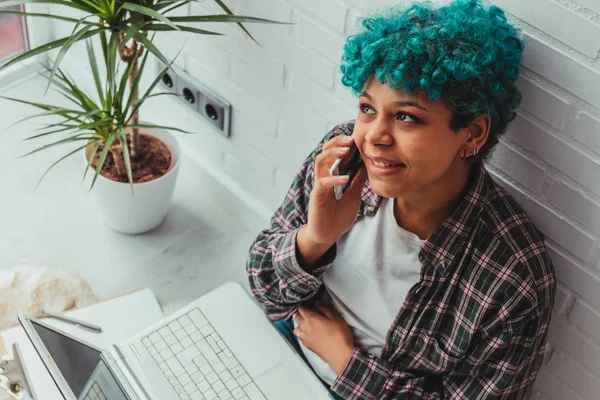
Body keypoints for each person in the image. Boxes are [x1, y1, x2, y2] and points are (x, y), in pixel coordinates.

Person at [246, 0, 556, 398]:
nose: (374, 136)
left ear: (473, 133)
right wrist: (315, 239)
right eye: (367, 108)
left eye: (407, 116)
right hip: (287, 340)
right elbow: (263, 290)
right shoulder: (343, 160)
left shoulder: (512, 275)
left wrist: (346, 363)